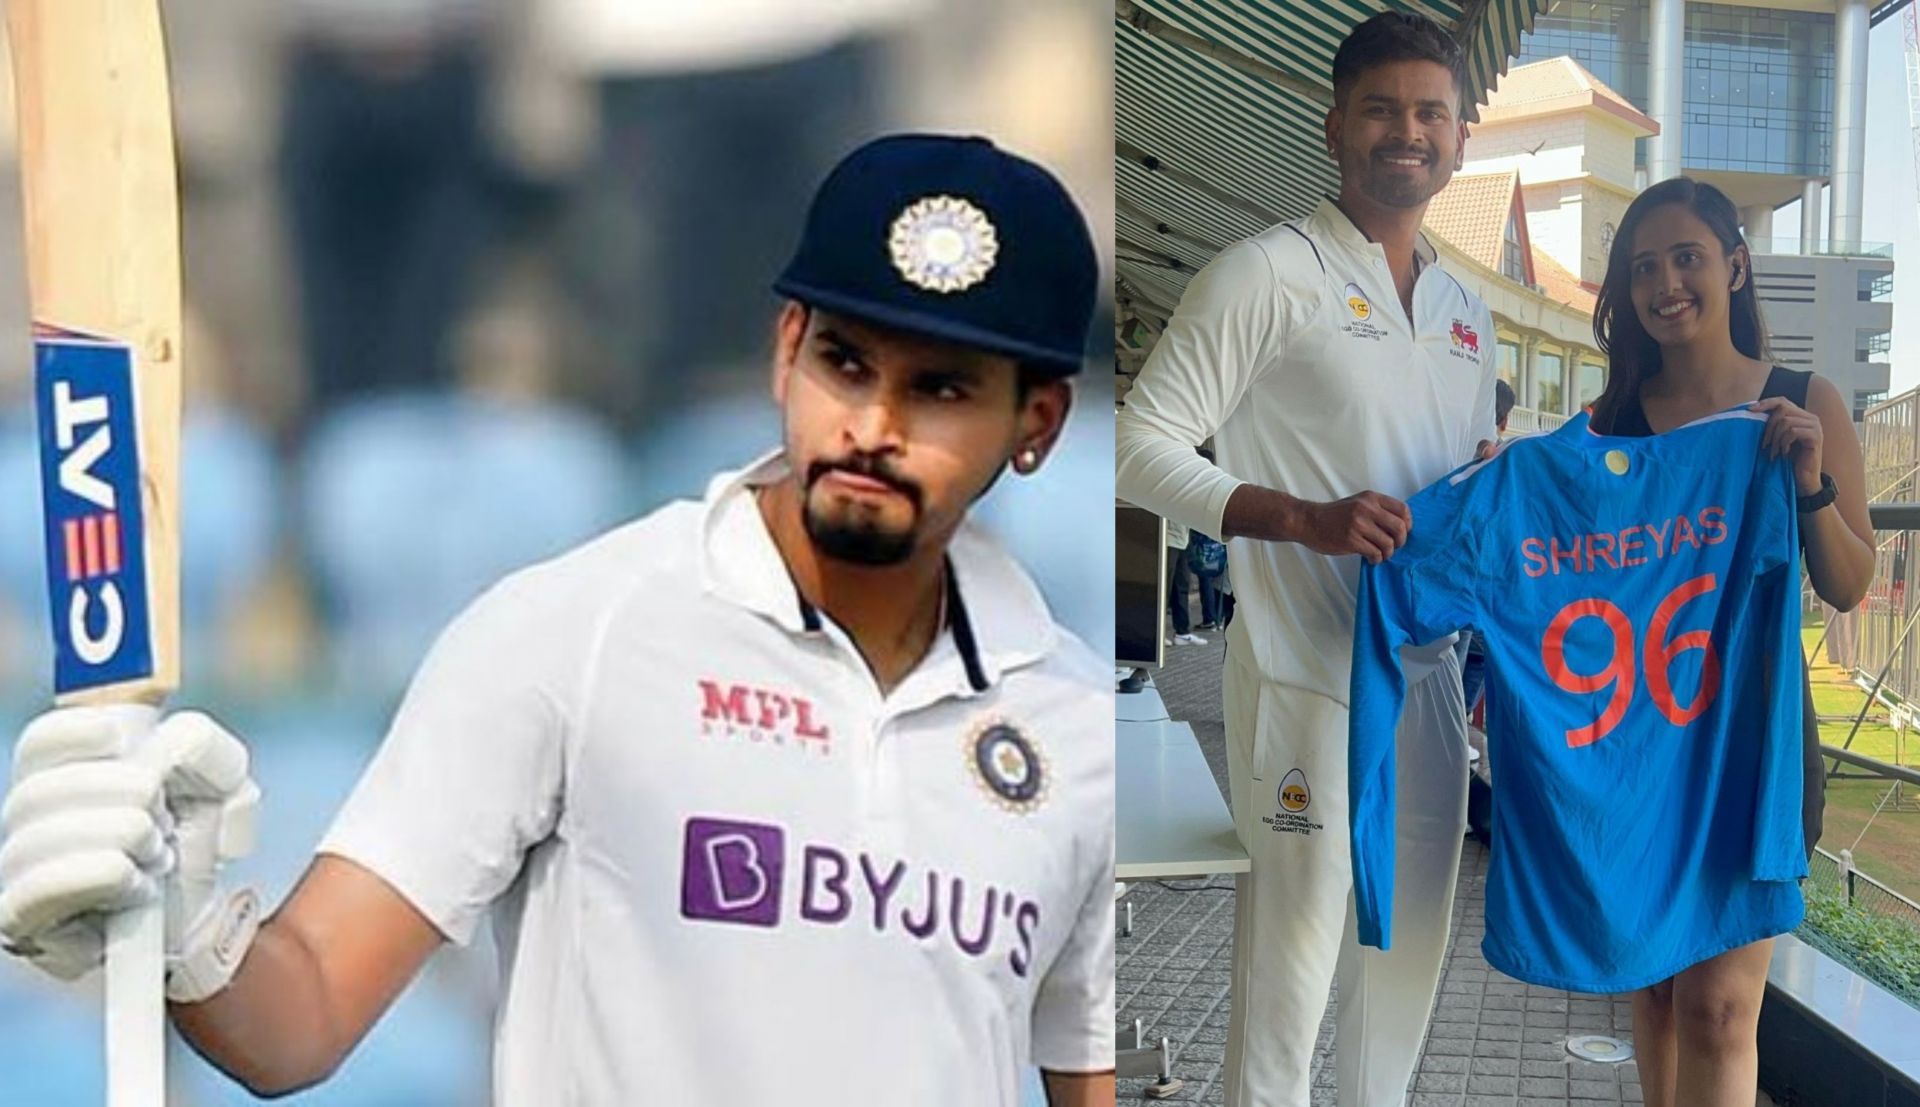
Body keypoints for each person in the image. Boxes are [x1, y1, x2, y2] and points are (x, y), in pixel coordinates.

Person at [0, 135, 1115, 1107]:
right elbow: (301, 1021)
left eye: (941, 389)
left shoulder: (1076, 727)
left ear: (1039, 422)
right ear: (787, 349)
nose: (871, 423)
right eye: (845, 362)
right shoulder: (576, 631)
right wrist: (185, 931)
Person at [1115, 12, 1498, 1105]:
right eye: (1382, 108)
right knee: (1291, 973)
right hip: (1304, 684)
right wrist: (1302, 519)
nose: (1407, 132)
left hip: (1427, 682)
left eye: (1430, 112)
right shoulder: (1266, 273)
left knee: (1405, 957)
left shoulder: (1470, 314)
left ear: (1460, 139)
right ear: (1335, 125)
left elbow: (1447, 479)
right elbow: (1137, 446)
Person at [1585, 176, 1872, 1107]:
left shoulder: (1804, 400)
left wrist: (1810, 480)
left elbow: (1849, 583)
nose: (1666, 283)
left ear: (1735, 266)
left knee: (1718, 1009)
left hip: (1759, 746)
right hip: (1644, 745)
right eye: (1644, 268)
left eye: (1687, 258)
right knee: (1662, 993)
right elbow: (1572, 578)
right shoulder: (1611, 423)